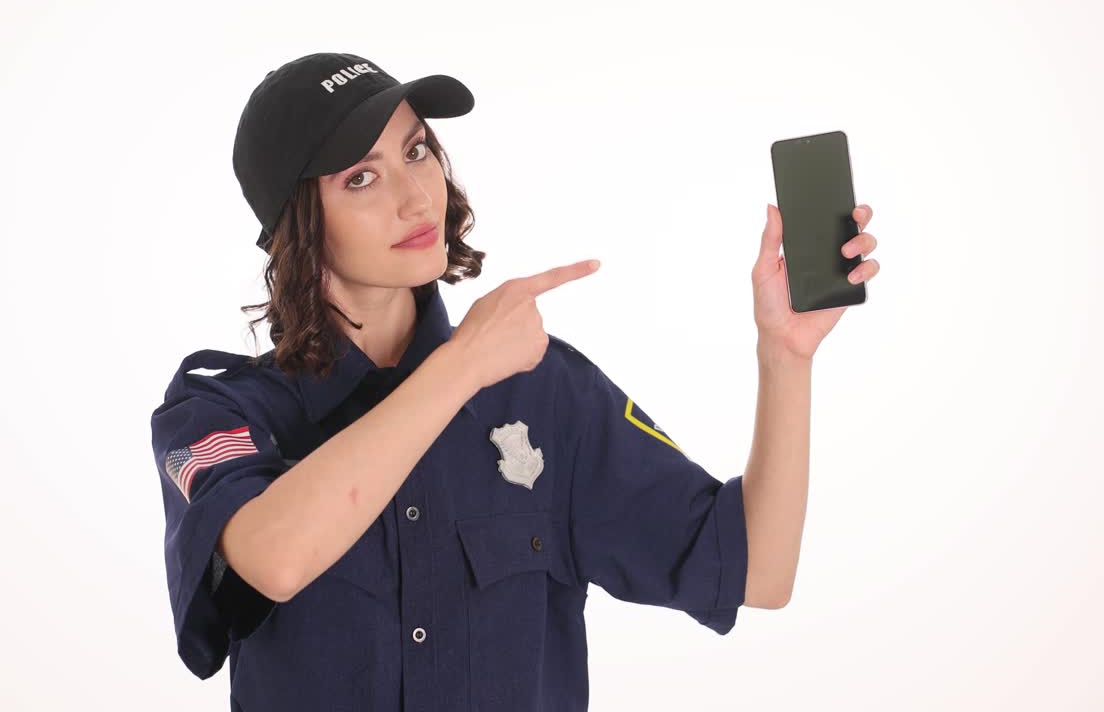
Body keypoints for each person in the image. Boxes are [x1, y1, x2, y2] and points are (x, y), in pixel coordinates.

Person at [149, 51, 880, 711]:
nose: (417, 198)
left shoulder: (544, 391)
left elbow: (758, 572)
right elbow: (274, 558)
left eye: (417, 151)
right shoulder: (220, 411)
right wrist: (460, 366)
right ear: (297, 225)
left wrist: (786, 357)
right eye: (361, 178)